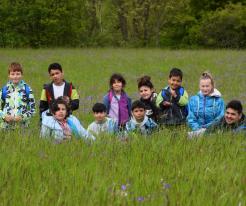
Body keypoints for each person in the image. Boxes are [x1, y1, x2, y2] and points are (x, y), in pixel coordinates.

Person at [0, 62, 35, 129]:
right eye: (12, 74)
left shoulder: (27, 89)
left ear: (22, 75)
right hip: (6, 127)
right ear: (9, 75)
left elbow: (32, 110)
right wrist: (4, 116)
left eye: (18, 74)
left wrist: (22, 117)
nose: (15, 76)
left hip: (22, 127)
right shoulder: (4, 90)